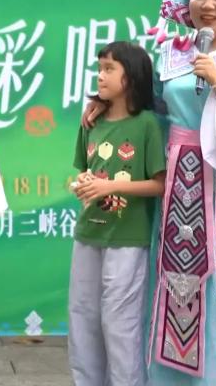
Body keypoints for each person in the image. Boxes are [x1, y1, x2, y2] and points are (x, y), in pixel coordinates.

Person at [82, 0, 216, 384]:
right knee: (178, 288)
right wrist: (104, 104)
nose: (207, 5)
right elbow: (148, 109)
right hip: (180, 189)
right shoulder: (171, 53)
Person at [68, 41, 166, 386]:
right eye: (99, 68)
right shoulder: (91, 121)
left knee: (120, 322)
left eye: (109, 69)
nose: (100, 76)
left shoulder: (147, 125)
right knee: (83, 318)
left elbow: (160, 184)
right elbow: (83, 171)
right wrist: (84, 182)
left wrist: (109, 187)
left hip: (128, 238)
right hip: (88, 233)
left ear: (132, 76)